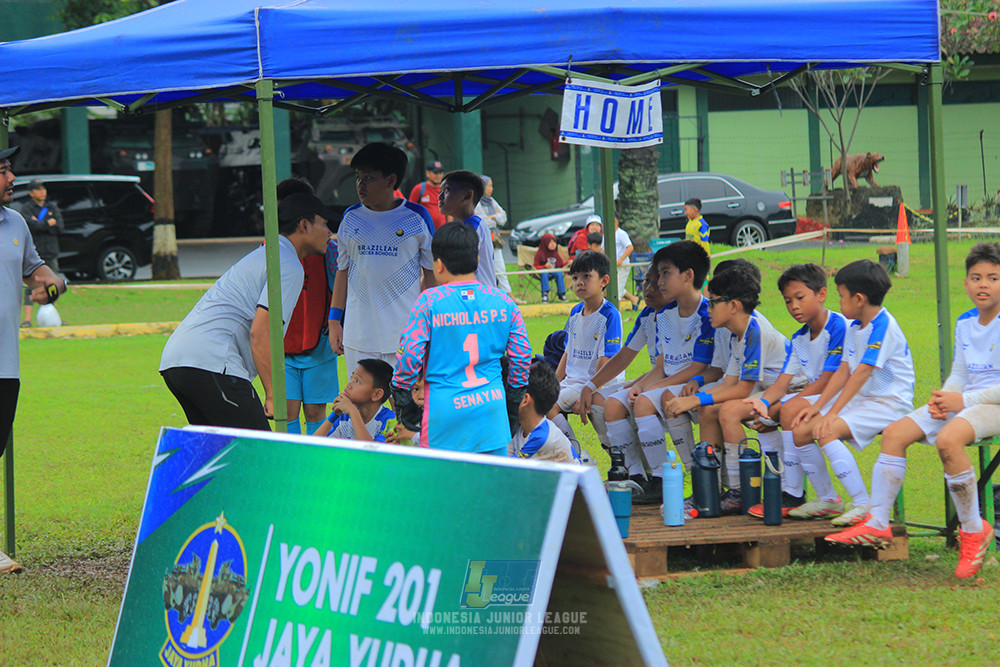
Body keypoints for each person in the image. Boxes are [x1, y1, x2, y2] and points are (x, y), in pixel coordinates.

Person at [825, 244, 1000, 578]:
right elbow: (961, 374)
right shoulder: (965, 322)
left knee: (949, 441)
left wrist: (962, 402)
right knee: (895, 434)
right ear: (965, 283)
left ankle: (973, 531)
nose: (983, 284)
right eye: (976, 277)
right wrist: (944, 397)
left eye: (993, 278)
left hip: (993, 404)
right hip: (969, 400)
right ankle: (877, 522)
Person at [159, 193, 334, 430]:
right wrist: (273, 393)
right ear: (304, 225)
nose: (329, 232)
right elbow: (260, 332)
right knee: (260, 454)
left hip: (178, 360)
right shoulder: (288, 265)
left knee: (219, 456)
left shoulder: (269, 254)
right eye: (324, 224)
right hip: (211, 361)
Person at [786, 260, 915, 526]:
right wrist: (818, 406)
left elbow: (862, 373)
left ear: (858, 299)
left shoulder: (883, 325)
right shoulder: (854, 327)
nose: (839, 302)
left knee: (827, 429)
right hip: (863, 401)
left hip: (889, 403)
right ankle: (828, 500)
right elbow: (844, 370)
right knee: (801, 430)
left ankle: (863, 504)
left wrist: (830, 414)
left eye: (841, 296)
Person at [393, 222, 531, 454]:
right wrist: (514, 400)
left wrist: (402, 396)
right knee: (489, 486)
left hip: (443, 414)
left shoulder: (429, 301)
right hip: (492, 412)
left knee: (445, 488)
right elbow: (522, 356)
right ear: (477, 261)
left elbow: (409, 355)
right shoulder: (503, 301)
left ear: (438, 265)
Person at [663, 261, 790, 514]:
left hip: (789, 390)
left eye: (712, 303)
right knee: (709, 410)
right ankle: (709, 488)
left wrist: (694, 400)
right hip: (763, 390)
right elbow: (730, 382)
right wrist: (699, 397)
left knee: (728, 411)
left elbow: (742, 390)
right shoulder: (736, 333)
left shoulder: (755, 330)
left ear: (733, 306)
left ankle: (738, 491)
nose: (707, 310)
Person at [601, 241, 713, 503]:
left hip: (701, 383)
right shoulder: (662, 315)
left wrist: (650, 388)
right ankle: (640, 478)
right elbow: (661, 366)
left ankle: (668, 478)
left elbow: (700, 368)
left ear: (688, 276)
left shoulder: (708, 313)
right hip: (672, 382)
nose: (657, 283)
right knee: (612, 404)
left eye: (665, 274)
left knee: (644, 402)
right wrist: (643, 385)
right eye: (655, 276)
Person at [0, 146, 67, 572]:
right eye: (4, 171)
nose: (12, 179)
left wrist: (54, 287)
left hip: (6, 366)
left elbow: (42, 275)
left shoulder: (16, 223)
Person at [741, 264, 848, 518]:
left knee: (787, 410)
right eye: (788, 301)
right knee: (762, 417)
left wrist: (788, 404)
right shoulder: (799, 338)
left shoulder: (838, 326)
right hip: (816, 394)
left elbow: (828, 379)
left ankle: (794, 492)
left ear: (821, 294)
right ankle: (784, 486)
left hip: (841, 395)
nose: (794, 307)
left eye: (800, 298)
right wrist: (763, 404)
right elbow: (780, 384)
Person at [330, 143, 436, 372]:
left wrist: (432, 322)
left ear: (390, 181)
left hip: (407, 335)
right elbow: (342, 271)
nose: (361, 185)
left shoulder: (417, 217)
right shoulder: (350, 218)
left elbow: (432, 276)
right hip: (358, 336)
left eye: (368, 178)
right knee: (360, 406)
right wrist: (334, 320)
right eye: (358, 178)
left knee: (407, 405)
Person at [574, 261, 670, 459]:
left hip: (677, 383)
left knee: (640, 402)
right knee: (599, 400)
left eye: (656, 282)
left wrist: (640, 387)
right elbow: (624, 356)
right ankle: (627, 467)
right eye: (646, 281)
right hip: (657, 379)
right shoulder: (646, 314)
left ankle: (657, 472)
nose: (648, 288)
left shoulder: (675, 314)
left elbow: (667, 369)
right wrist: (590, 385)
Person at [277, 177, 339, 435]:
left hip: (320, 346)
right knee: (287, 412)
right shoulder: (271, 251)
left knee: (316, 413)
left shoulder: (329, 250)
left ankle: (314, 464)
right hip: (283, 348)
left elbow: (340, 291)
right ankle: (291, 466)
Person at [549, 250, 623, 455]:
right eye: (575, 278)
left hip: (599, 382)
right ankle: (574, 453)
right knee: (542, 401)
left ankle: (575, 454)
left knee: (548, 407)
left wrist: (589, 390)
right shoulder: (575, 313)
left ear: (604, 280)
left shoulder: (609, 315)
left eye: (586, 276)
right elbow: (568, 352)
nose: (579, 282)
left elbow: (607, 358)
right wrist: (553, 381)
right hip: (574, 381)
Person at [510, 361, 580, 463]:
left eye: (515, 392)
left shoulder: (542, 438)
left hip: (569, 479)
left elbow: (505, 469)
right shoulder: (520, 427)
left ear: (525, 399)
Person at [16, 179, 63, 328]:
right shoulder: (27, 208)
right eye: (38, 189)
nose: (42, 192)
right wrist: (48, 223)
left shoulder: (51, 206)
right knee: (31, 285)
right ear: (31, 193)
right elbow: (30, 227)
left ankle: (52, 315)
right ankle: (28, 318)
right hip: (35, 252)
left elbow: (60, 226)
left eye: (43, 189)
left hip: (51, 250)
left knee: (53, 283)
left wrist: (41, 224)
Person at [437, 169, 495, 288]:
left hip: (475, 300)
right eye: (440, 191)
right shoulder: (471, 225)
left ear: (467, 195)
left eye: (447, 190)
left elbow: (457, 269)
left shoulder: (472, 228)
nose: (440, 196)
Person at [314, 359, 395, 441]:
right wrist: (333, 415)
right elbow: (312, 447)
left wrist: (353, 411)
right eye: (351, 378)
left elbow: (370, 452)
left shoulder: (389, 420)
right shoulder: (344, 416)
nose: (349, 384)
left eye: (357, 381)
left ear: (377, 394)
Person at [474, 175, 511, 294]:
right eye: (489, 186)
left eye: (491, 186)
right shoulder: (477, 202)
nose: (491, 189)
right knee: (486, 269)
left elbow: (503, 218)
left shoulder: (491, 201)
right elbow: (484, 221)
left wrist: (493, 217)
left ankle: (508, 294)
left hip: (495, 240)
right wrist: (495, 220)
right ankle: (490, 293)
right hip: (483, 240)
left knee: (501, 269)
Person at [408, 159, 447, 228]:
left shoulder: (445, 190)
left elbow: (448, 211)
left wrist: (448, 228)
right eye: (435, 173)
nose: (438, 175)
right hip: (424, 232)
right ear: (427, 173)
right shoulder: (419, 189)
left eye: (440, 172)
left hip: (441, 232)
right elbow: (410, 211)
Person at [612, 214, 640, 308]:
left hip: (622, 266)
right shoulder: (607, 234)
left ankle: (617, 319)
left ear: (615, 222)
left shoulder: (621, 234)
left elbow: (630, 247)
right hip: (612, 266)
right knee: (613, 288)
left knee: (616, 293)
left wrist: (620, 259)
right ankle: (634, 299)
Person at [532, 233, 566, 302]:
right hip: (543, 271)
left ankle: (561, 294)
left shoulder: (555, 253)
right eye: (550, 242)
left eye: (554, 242)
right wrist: (545, 266)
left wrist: (569, 262)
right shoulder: (540, 253)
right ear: (545, 243)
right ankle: (545, 293)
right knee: (545, 273)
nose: (553, 244)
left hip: (554, 270)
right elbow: (535, 266)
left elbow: (561, 264)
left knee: (559, 273)